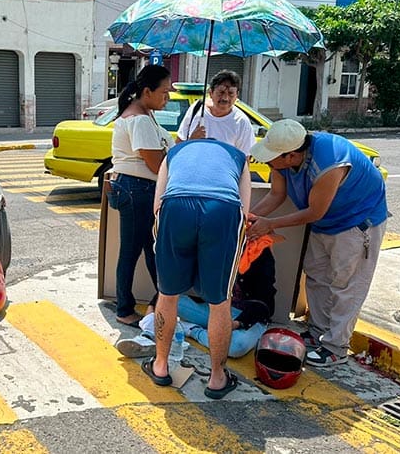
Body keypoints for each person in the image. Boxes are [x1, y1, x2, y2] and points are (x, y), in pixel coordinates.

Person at [248, 119, 388, 367]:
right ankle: (317, 332)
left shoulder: (329, 163)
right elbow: (276, 194)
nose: (268, 163)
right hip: (326, 223)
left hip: (356, 223)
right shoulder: (284, 159)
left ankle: (336, 347)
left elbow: (315, 212)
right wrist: (249, 219)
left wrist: (270, 224)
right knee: (316, 273)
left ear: (291, 156)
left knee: (346, 284)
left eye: (272, 159)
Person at [141, 138, 251, 399]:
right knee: (219, 302)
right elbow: (245, 214)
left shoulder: (174, 153)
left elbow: (157, 206)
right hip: (223, 209)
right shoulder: (237, 156)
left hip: (175, 206)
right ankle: (216, 378)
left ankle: (160, 366)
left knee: (167, 295)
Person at [116, 246, 276, 359]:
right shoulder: (207, 248)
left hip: (246, 317)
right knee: (168, 302)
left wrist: (234, 324)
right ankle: (147, 336)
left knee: (236, 346)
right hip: (212, 310)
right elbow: (170, 288)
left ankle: (191, 331)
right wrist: (151, 312)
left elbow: (264, 305)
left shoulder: (258, 252)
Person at [107, 65, 173, 327]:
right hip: (138, 190)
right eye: (164, 92)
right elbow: (156, 165)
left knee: (151, 250)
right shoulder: (141, 119)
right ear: (147, 91)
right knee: (133, 252)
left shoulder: (144, 114)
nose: (167, 98)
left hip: (136, 189)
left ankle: (160, 301)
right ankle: (125, 308)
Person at [176, 69, 256, 154]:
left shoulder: (241, 122)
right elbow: (178, 147)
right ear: (211, 93)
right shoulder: (196, 109)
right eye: (221, 92)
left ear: (237, 95)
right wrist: (192, 141)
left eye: (231, 93)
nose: (225, 98)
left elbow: (244, 160)